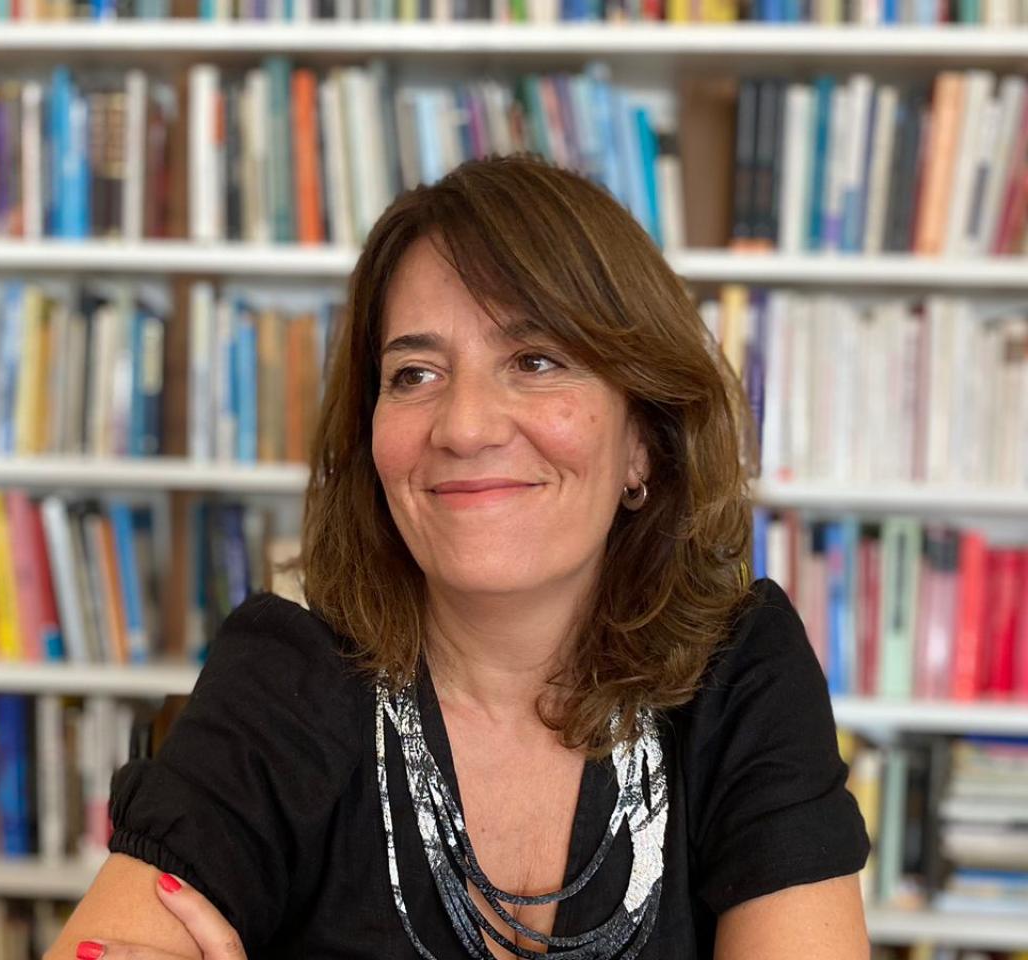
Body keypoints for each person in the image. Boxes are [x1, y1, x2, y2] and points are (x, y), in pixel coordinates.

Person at [46, 154, 871, 960]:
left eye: (536, 360)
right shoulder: (283, 680)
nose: (464, 426)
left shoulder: (741, 673)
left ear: (643, 447)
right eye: (414, 373)